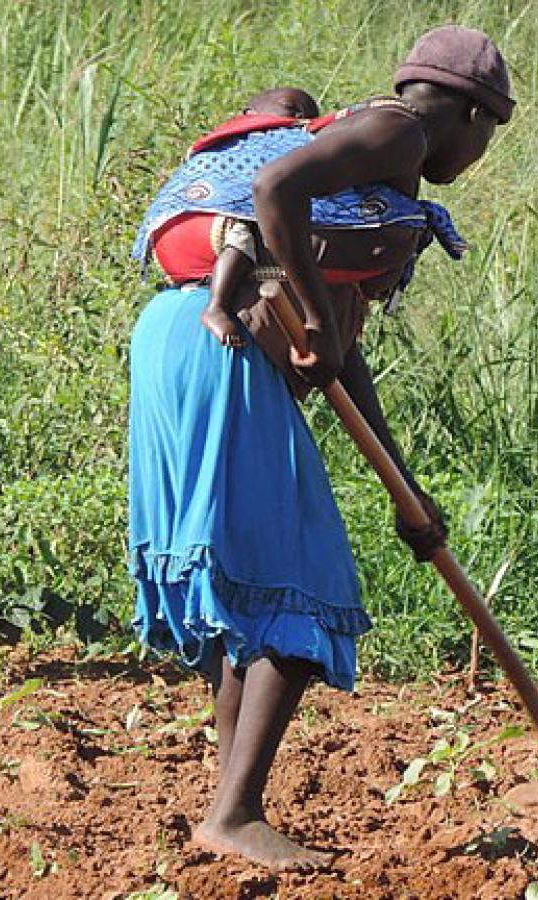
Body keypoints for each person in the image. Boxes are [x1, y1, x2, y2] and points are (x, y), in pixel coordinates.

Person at [127, 26, 514, 870]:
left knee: (248, 582)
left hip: (172, 339)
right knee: (303, 579)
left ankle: (230, 810)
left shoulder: (365, 187)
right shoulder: (399, 132)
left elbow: (342, 355)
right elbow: (274, 187)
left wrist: (408, 497)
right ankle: (235, 814)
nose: (480, 154)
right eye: (492, 133)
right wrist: (310, 310)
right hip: (217, 350)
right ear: (470, 112)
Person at [201, 88, 321, 349]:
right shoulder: (257, 142)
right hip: (230, 215)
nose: (301, 118)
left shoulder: (228, 141)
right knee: (243, 235)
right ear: (249, 113)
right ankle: (217, 305)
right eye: (292, 108)